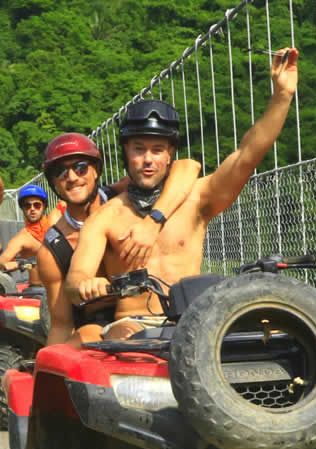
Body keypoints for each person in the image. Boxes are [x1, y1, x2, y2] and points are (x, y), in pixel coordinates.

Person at [66, 48, 300, 340]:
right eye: (139, 149)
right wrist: (87, 286)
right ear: (126, 153)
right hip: (134, 323)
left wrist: (282, 96)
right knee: (123, 343)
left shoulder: (196, 198)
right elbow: (75, 279)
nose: (148, 159)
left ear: (170, 155)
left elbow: (247, 156)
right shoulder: (104, 218)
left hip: (194, 320)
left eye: (157, 150)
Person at [37, 133, 201, 346]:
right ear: (53, 183)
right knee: (84, 343)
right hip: (99, 323)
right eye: (60, 172)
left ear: (96, 170)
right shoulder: (53, 250)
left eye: (80, 167)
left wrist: (154, 219)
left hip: (156, 312)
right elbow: (61, 324)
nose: (72, 177)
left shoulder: (125, 196)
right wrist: (49, 369)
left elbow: (187, 167)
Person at [0, 184, 57, 286]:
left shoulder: (55, 222)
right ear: (22, 209)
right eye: (27, 206)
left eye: (37, 205)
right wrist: (20, 263)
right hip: (38, 290)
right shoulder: (21, 238)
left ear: (44, 206)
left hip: (62, 287)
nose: (32, 209)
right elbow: (0, 263)